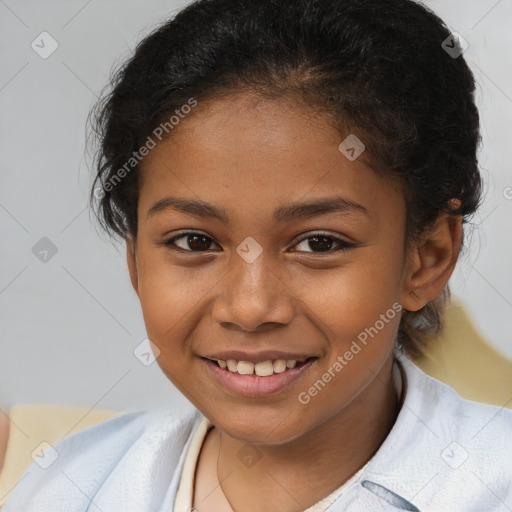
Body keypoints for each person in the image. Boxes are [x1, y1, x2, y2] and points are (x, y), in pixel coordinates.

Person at [4, 0, 512, 510]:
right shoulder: (65, 485)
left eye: (319, 243)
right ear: (135, 260)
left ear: (427, 257)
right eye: (194, 241)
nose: (249, 308)